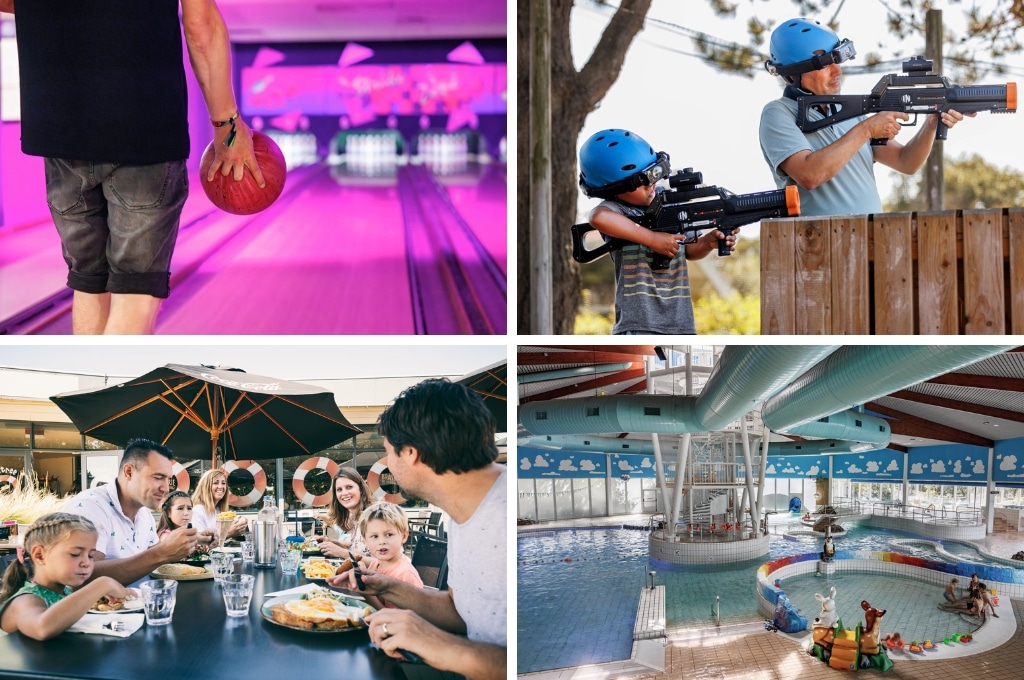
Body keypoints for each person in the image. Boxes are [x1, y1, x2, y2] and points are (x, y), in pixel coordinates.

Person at [0, 0, 266, 335]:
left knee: (88, 282)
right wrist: (228, 126)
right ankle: (112, 387)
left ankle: (89, 386)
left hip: (58, 132)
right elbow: (202, 28)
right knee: (136, 292)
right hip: (144, 128)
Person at [328, 378, 505, 680]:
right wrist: (385, 586)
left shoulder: (504, 514)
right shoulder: (462, 514)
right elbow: (460, 611)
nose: (389, 466)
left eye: (388, 453)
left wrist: (439, 644)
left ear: (410, 453)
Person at [759, 18, 970, 217]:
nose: (837, 71)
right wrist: (867, 129)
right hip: (817, 248)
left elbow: (906, 162)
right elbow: (809, 175)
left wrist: (931, 123)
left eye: (837, 60)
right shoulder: (778, 113)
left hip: (871, 243)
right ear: (793, 74)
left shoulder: (850, 115)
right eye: (824, 64)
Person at [578, 129, 739, 335]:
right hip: (637, 325)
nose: (651, 184)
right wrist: (652, 239)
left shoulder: (667, 202)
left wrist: (708, 242)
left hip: (681, 323)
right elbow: (598, 217)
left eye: (655, 173)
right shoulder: (617, 211)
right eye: (642, 180)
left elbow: (688, 251)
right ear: (613, 189)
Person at [61, 438, 198, 584]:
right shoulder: (90, 506)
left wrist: (181, 543)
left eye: (168, 480)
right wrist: (162, 553)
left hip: (144, 600)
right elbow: (81, 576)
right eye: (158, 477)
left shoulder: (144, 513)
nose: (165, 488)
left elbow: (152, 556)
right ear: (129, 472)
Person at [0, 513, 135, 640]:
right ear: (39, 555)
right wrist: (103, 584)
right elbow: (42, 628)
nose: (87, 563)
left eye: (91, 555)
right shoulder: (25, 600)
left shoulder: (65, 591)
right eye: (75, 554)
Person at [342, 502, 423, 610]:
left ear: (403, 536)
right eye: (374, 536)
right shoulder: (376, 564)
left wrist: (364, 592)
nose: (382, 542)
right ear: (365, 540)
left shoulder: (404, 575)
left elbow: (393, 618)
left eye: (389, 535)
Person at [315, 468, 373, 558]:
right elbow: (359, 549)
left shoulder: (373, 517)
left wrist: (341, 552)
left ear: (360, 489)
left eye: (349, 487)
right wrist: (333, 543)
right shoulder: (354, 517)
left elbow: (380, 563)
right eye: (339, 489)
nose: (344, 493)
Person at [190, 468, 248, 542]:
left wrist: (240, 524)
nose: (220, 487)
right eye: (216, 483)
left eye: (223, 483)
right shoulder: (198, 510)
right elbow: (200, 545)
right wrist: (228, 533)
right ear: (206, 486)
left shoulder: (218, 510)